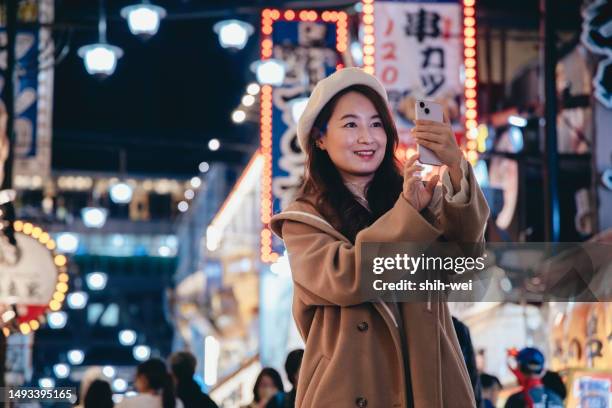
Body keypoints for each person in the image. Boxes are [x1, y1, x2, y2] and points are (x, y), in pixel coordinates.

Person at [270, 67, 489, 407]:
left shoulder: (415, 197)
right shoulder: (303, 219)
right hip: (349, 389)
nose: (366, 137)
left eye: (376, 124)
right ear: (320, 138)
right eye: (350, 124)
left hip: (428, 383)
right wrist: (408, 214)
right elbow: (348, 278)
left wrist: (456, 167)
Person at [117, 358, 183, 408]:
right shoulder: (176, 403)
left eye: (136, 377)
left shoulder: (127, 403)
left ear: (143, 379)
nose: (134, 383)